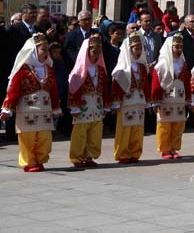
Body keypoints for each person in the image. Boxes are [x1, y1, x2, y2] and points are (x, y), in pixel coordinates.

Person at [1, 33, 62, 171]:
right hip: (27, 111)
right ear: (34, 51)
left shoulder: (49, 68)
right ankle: (29, 162)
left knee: (45, 139)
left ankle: (40, 159)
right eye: (43, 49)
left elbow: (53, 89)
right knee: (27, 139)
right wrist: (7, 108)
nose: (46, 53)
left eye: (47, 50)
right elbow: (14, 90)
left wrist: (56, 108)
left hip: (45, 112)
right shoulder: (23, 69)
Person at [67, 33, 110, 168]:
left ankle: (90, 156)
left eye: (99, 51)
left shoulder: (101, 70)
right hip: (82, 107)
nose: (96, 54)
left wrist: (106, 105)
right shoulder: (79, 71)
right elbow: (73, 89)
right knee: (80, 133)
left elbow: (105, 89)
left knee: (95, 133)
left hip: (97, 106)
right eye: (93, 51)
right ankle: (77, 157)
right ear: (87, 51)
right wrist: (74, 107)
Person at [111, 32, 150, 164]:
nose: (138, 51)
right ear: (129, 49)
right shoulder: (122, 68)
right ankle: (122, 153)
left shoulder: (142, 67)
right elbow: (116, 85)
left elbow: (145, 85)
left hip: (139, 102)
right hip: (126, 103)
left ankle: (135, 152)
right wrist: (116, 101)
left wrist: (148, 100)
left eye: (140, 48)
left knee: (137, 129)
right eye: (135, 48)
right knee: (125, 129)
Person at [151, 34, 191, 160]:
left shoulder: (183, 64)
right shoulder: (162, 65)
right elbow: (156, 84)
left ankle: (174, 148)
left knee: (178, 125)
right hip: (165, 101)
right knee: (165, 126)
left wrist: (188, 98)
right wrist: (155, 100)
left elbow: (187, 82)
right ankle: (165, 149)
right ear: (170, 48)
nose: (179, 50)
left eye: (181, 47)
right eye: (176, 47)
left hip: (179, 101)